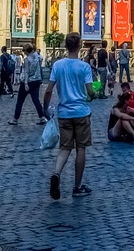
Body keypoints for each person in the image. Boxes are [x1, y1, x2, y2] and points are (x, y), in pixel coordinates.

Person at [43, 32, 95, 199]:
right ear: (80, 46)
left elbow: (49, 90)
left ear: (65, 46)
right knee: (81, 148)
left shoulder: (58, 65)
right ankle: (77, 186)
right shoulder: (84, 67)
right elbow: (90, 91)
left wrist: (45, 109)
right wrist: (94, 94)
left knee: (65, 148)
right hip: (81, 112)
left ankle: (56, 173)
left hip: (64, 113)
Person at [11, 44, 47, 125]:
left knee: (20, 100)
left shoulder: (27, 60)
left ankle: (15, 119)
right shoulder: (37, 57)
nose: (24, 52)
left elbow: (27, 72)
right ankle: (42, 117)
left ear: (26, 51)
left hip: (28, 82)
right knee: (36, 100)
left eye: (24, 51)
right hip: (36, 81)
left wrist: (26, 83)